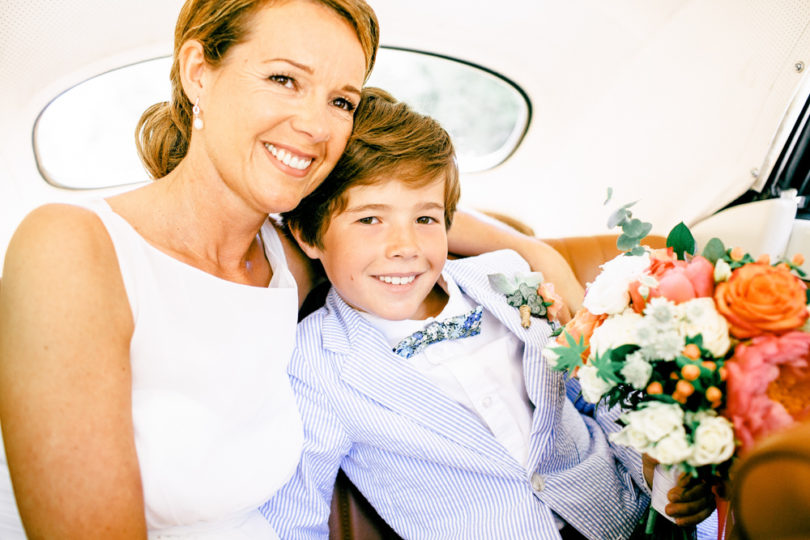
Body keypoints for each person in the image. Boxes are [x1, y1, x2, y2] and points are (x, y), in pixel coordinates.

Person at [0, 1, 586, 538]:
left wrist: (536, 257)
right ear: (198, 72)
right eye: (284, 79)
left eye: (341, 101)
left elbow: (407, 218)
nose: (316, 126)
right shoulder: (73, 247)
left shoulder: (289, 261)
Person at [261, 87, 714, 539]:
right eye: (369, 220)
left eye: (425, 219)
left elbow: (593, 392)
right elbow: (294, 517)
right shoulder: (312, 363)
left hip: (626, 517)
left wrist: (657, 472)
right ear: (308, 235)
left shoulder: (507, 276)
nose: (405, 248)